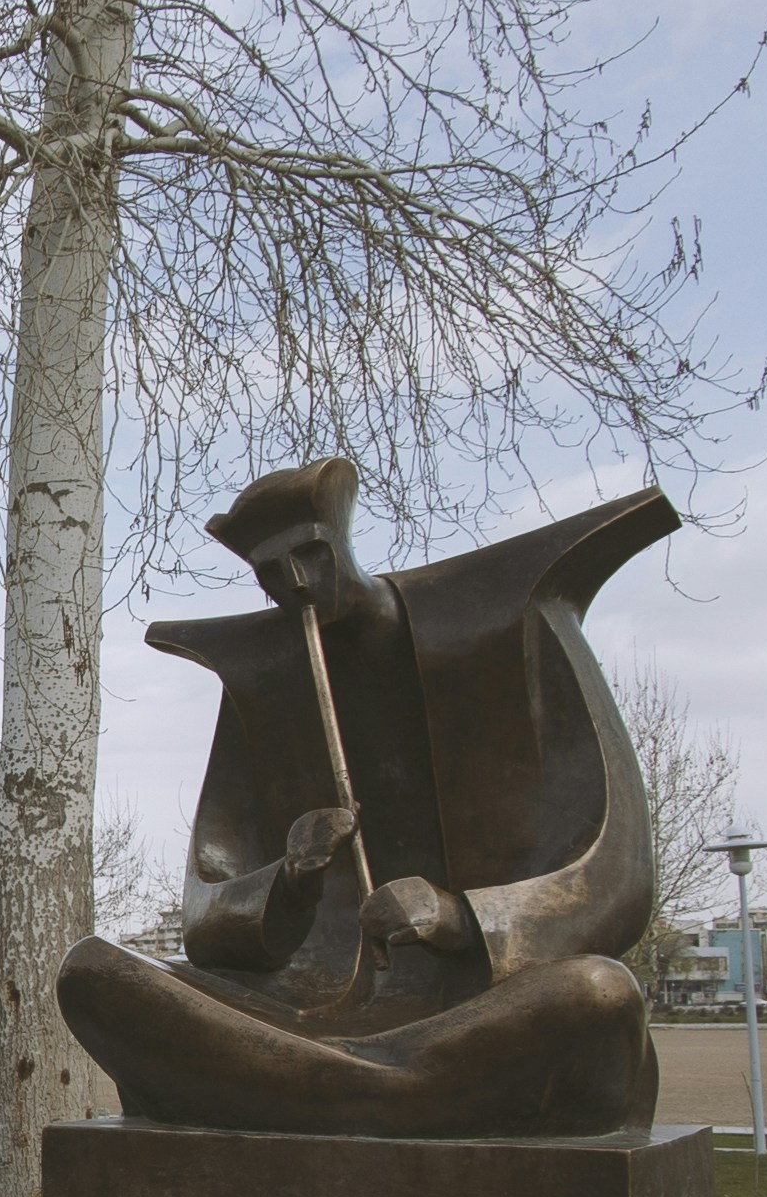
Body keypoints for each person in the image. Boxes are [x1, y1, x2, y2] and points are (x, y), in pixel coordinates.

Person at [55, 458, 671, 1139]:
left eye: (312, 555)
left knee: (597, 993)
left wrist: (457, 916)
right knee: (92, 973)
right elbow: (206, 920)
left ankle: (307, 1091)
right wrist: (290, 880)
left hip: (472, 1006)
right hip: (305, 1013)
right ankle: (392, 1092)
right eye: (271, 574)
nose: (295, 581)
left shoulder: (511, 625)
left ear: (344, 545)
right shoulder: (266, 680)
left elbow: (617, 874)